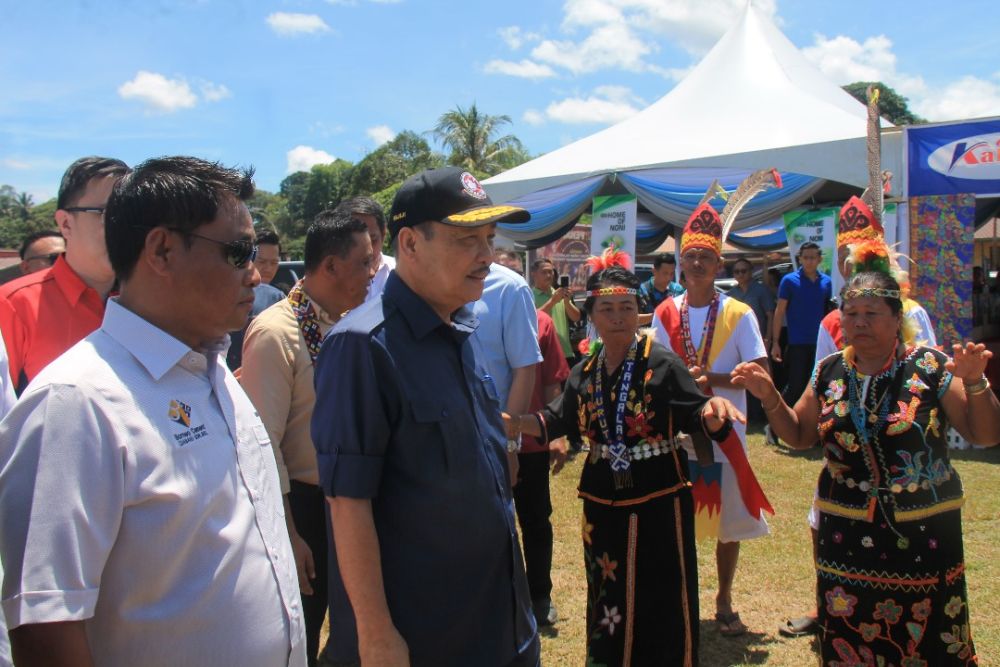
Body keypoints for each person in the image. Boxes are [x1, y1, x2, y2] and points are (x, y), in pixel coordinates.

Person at [0, 156, 306, 666]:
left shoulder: (214, 375)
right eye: (238, 252)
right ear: (162, 250)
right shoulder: (77, 403)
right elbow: (47, 625)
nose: (256, 274)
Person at [312, 167, 538, 666]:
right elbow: (348, 502)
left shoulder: (459, 330)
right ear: (410, 245)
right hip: (427, 640)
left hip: (498, 625)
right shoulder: (362, 347)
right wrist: (374, 635)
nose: (487, 256)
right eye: (467, 240)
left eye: (489, 239)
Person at [733, 270, 1000, 665]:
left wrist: (976, 382)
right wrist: (770, 397)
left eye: (871, 313)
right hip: (846, 532)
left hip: (923, 533)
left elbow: (985, 434)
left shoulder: (930, 366)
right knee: (850, 627)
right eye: (851, 312)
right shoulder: (828, 371)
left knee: (929, 635)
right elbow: (802, 435)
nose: (859, 322)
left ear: (897, 318)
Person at [507, 248, 745, 666]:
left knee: (662, 592)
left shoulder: (662, 364)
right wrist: (513, 423)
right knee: (608, 593)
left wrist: (712, 411)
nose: (617, 316)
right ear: (592, 315)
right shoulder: (585, 371)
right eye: (607, 308)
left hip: (660, 499)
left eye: (627, 308)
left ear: (639, 314)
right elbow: (555, 419)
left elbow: (695, 411)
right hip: (602, 503)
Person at [240, 211, 374, 667]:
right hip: (303, 507)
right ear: (332, 266)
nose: (374, 273)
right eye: (365, 262)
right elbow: (261, 445)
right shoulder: (277, 333)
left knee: (361, 628)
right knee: (301, 632)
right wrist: (288, 534)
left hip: (355, 499)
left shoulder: (359, 323)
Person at [653, 172, 778, 637]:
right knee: (680, 516)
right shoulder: (667, 312)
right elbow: (657, 372)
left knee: (725, 521)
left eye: (707, 256)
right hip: (679, 433)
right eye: (691, 256)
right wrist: (686, 385)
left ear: (719, 261)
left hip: (726, 434)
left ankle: (724, 597)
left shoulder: (739, 313)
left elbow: (760, 371)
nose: (699, 262)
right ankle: (681, 597)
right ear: (681, 263)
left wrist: (716, 379)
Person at [0, 156, 128, 393]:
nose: (122, 227)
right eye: (106, 213)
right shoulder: (14, 305)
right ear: (66, 224)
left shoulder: (147, 304)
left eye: (130, 215)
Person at [512, 308, 568, 628]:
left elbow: (551, 382)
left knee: (535, 520)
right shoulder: (466, 312)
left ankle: (539, 596)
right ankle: (500, 596)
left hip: (531, 441)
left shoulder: (540, 322)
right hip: (486, 443)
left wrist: (555, 434)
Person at [471, 262, 542, 490]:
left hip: (489, 442)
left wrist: (509, 445)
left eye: (489, 237)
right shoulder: (422, 280)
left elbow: (524, 368)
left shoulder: (509, 288)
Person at [770, 241, 832, 407]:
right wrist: (776, 342)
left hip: (820, 343)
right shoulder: (789, 281)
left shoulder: (827, 282)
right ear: (800, 259)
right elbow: (779, 311)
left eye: (813, 257)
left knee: (819, 385)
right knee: (795, 386)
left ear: (819, 259)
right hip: (797, 342)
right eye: (806, 258)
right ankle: (777, 421)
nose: (809, 261)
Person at [226, 227, 285, 370]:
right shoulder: (227, 292)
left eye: (273, 263)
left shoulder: (278, 298)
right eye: (262, 261)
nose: (268, 268)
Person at [334, 196, 394, 300]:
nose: (366, 251)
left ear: (383, 234)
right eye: (353, 244)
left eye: (373, 240)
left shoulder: (404, 276)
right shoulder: (323, 288)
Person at [531, 257, 581, 365]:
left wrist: (567, 302)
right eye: (544, 272)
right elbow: (533, 319)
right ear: (533, 274)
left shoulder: (558, 293)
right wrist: (553, 301)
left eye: (551, 272)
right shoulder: (529, 295)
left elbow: (576, 317)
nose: (549, 275)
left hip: (566, 353)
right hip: (543, 355)